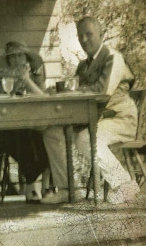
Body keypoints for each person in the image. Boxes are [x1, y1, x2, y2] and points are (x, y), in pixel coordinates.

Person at [41, 16, 140, 205]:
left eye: (89, 34)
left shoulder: (113, 58)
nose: (84, 40)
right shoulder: (83, 65)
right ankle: (69, 188)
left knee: (85, 138)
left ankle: (124, 184)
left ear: (101, 35)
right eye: (80, 36)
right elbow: (76, 90)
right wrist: (59, 91)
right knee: (52, 133)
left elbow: (103, 90)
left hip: (120, 118)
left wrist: (73, 89)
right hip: (94, 119)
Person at [0, 41, 50, 202]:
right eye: (12, 57)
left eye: (20, 56)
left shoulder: (36, 75)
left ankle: (45, 187)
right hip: (8, 127)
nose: (17, 60)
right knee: (23, 136)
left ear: (27, 58)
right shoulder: (2, 78)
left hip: (34, 125)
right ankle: (31, 186)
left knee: (47, 135)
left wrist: (27, 80)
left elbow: (44, 99)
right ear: (8, 61)